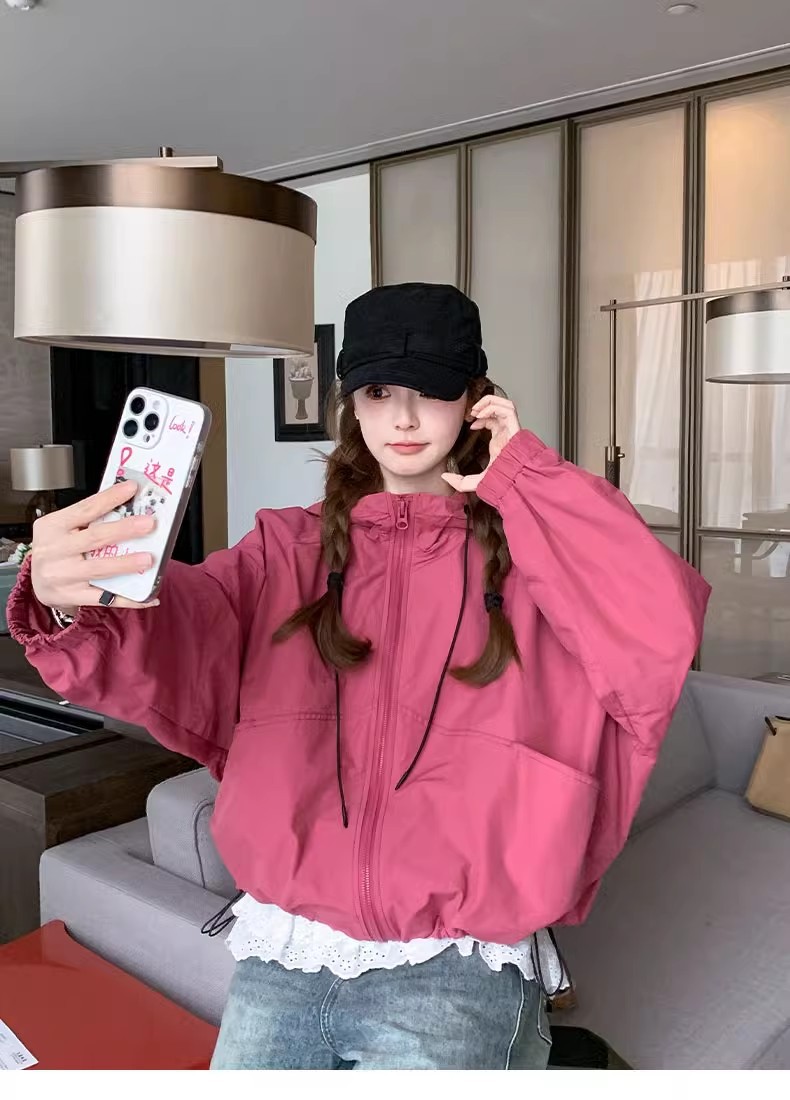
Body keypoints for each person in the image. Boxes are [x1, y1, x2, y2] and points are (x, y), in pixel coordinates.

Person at [8, 283, 711, 1071]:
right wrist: (71, 601)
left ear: (475, 400)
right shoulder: (283, 551)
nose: (404, 419)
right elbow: (178, 637)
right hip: (284, 957)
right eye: (379, 393)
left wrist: (529, 483)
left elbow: (660, 630)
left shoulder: (536, 558)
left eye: (431, 391)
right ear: (352, 403)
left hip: (459, 967)